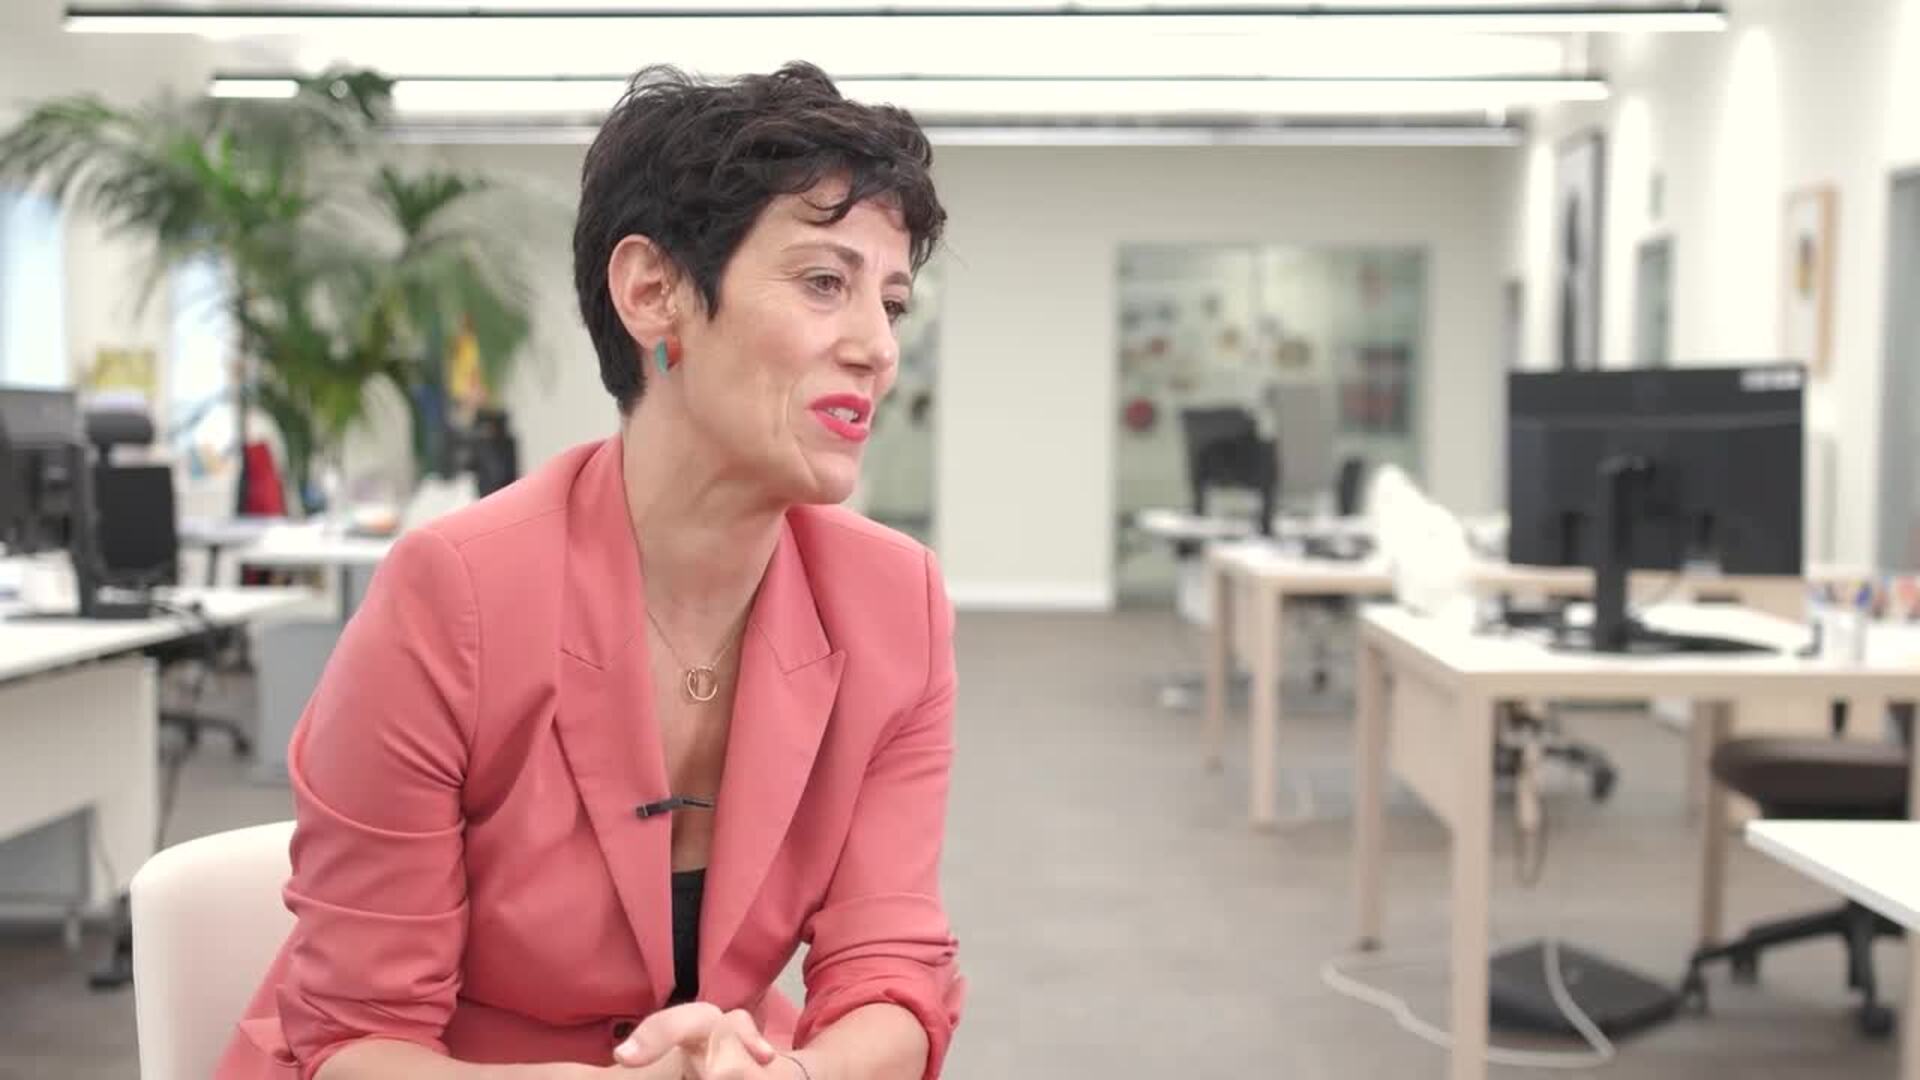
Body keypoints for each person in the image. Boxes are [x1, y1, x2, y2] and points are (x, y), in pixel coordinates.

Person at [215, 62, 961, 1080]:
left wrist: (793, 1075)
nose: (877, 347)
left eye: (893, 302)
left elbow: (893, 976)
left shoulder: (894, 604)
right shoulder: (455, 595)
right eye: (825, 283)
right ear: (654, 292)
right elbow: (354, 1041)